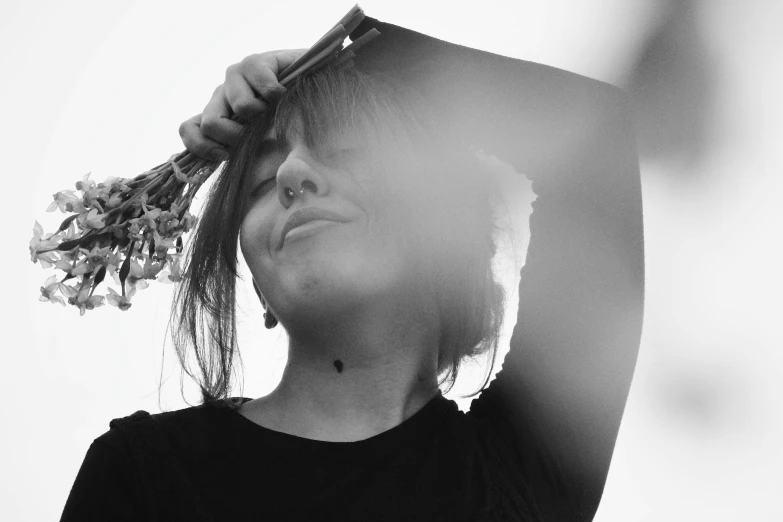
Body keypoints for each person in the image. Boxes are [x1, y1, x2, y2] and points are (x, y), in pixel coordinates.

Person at [59, 15, 645, 522]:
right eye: (261, 182)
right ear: (258, 283)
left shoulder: (520, 473)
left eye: (343, 151)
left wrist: (357, 54)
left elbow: (600, 136)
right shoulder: (143, 477)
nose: (291, 176)